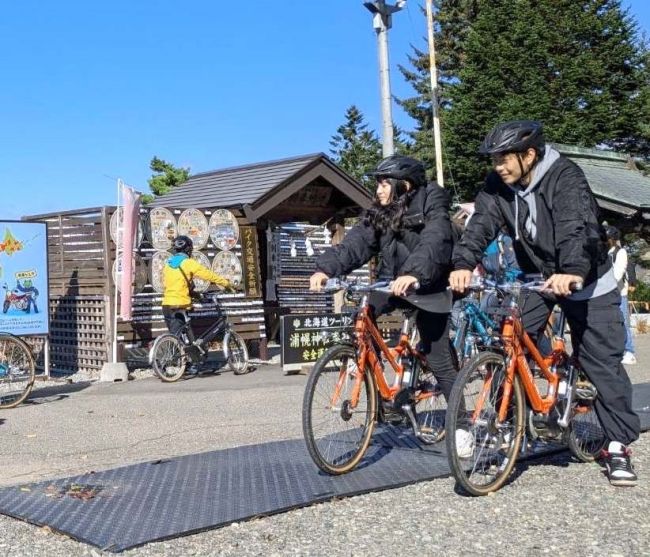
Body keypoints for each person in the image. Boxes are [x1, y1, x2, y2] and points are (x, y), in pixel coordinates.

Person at [449, 120, 640, 487]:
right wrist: (461, 263)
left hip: (586, 279)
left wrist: (571, 270)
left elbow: (577, 225)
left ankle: (617, 444)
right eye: (494, 160)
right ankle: (509, 418)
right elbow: (481, 225)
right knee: (507, 339)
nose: (498, 167)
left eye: (503, 159)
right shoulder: (497, 185)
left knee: (602, 362)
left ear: (529, 155)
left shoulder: (565, 176)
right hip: (537, 278)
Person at [309, 154, 457, 413]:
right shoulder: (380, 211)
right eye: (377, 184)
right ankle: (374, 376)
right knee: (364, 314)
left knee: (438, 358)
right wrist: (325, 268)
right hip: (393, 282)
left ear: (405, 185)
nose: (378, 190)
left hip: (431, 283)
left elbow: (435, 239)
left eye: (384, 184)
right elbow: (357, 244)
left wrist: (414, 273)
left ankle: (463, 421)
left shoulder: (432, 201)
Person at [162, 235, 234, 340]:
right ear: (188, 249)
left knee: (178, 337)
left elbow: (173, 285)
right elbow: (208, 275)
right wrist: (226, 284)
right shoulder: (188, 263)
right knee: (176, 339)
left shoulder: (168, 265)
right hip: (179, 303)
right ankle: (172, 354)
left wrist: (194, 294)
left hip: (167, 305)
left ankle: (185, 353)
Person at [605, 226, 637, 365]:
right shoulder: (604, 253)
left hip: (619, 292)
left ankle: (629, 351)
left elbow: (618, 273)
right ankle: (612, 350)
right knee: (607, 323)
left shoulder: (620, 252)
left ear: (612, 239)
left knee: (623, 321)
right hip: (605, 293)